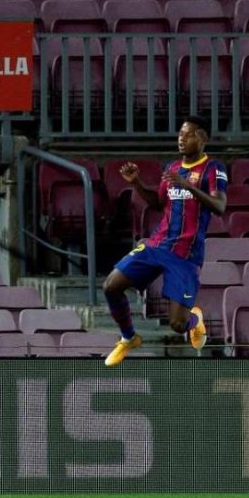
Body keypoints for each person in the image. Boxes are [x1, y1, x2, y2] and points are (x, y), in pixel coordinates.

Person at [103, 116, 228, 367]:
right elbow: (158, 202)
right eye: (180, 134)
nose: (181, 139)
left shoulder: (213, 168)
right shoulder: (172, 167)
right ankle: (129, 337)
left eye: (189, 134)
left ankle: (195, 320)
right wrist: (137, 183)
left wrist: (188, 186)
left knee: (177, 324)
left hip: (185, 254)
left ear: (202, 138)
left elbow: (220, 206)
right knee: (111, 285)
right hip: (158, 244)